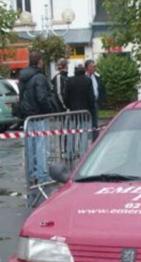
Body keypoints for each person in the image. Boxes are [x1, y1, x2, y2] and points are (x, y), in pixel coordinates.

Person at [18, 50, 57, 203]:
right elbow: (42, 97)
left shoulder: (22, 76)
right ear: (40, 61)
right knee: (41, 146)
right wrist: (50, 110)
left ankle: (32, 174)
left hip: (27, 115)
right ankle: (42, 175)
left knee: (30, 146)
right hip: (39, 115)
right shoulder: (39, 77)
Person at [64, 64, 96, 159]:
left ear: (75, 71)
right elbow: (91, 97)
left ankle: (69, 153)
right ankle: (83, 154)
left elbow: (66, 97)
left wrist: (69, 106)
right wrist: (91, 108)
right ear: (84, 71)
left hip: (73, 111)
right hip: (85, 111)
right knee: (84, 133)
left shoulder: (69, 81)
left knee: (71, 132)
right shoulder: (87, 81)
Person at [85, 59, 105, 141]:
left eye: (94, 66)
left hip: (95, 103)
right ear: (87, 67)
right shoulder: (84, 78)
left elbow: (101, 89)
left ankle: (95, 140)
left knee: (95, 123)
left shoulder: (97, 77)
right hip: (86, 104)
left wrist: (100, 100)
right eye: (93, 66)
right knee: (86, 124)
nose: (94, 68)